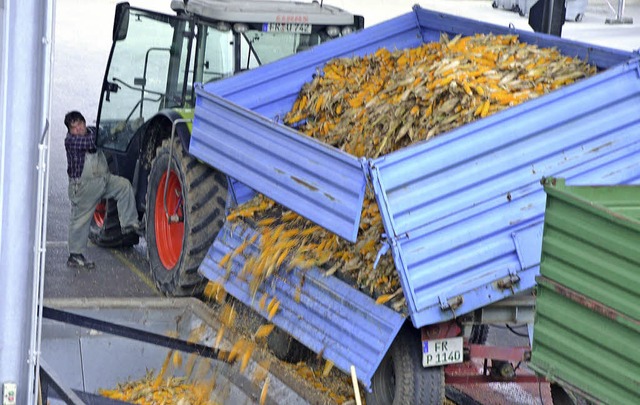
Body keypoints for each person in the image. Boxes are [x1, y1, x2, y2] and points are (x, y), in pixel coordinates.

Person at [64, 111, 139, 269]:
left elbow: (104, 135)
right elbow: (93, 142)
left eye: (80, 125)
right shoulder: (72, 142)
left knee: (124, 186)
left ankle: (129, 224)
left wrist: (129, 128)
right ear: (69, 131)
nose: (78, 130)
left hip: (103, 181)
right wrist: (111, 132)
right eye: (74, 128)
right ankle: (75, 255)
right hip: (84, 187)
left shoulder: (93, 132)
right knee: (81, 220)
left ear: (84, 123)